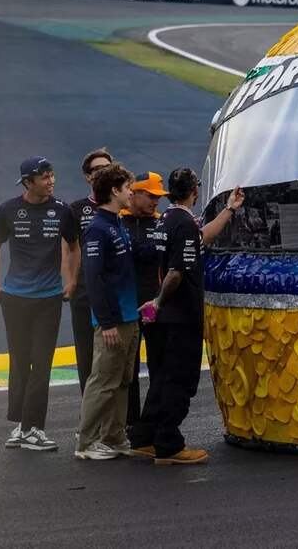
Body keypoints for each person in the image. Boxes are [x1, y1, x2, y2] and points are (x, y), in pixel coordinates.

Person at [131, 169, 242, 465]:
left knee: (160, 378)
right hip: (179, 316)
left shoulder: (167, 220)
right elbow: (176, 271)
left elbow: (200, 238)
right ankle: (169, 444)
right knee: (179, 380)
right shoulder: (183, 224)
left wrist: (230, 209)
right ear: (194, 190)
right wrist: (159, 301)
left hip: (162, 317)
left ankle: (144, 438)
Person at [0, 157, 79, 451]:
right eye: (44, 177)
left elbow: (74, 246)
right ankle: (22, 425)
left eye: (52, 175)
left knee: (41, 364)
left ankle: (31, 428)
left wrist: (72, 281)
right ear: (28, 182)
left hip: (48, 298)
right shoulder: (8, 209)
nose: (51, 181)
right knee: (19, 362)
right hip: (15, 298)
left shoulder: (63, 210)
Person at [75, 164, 141, 461]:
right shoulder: (98, 229)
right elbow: (93, 279)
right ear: (115, 191)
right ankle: (86, 443)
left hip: (129, 316)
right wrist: (107, 322)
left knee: (123, 380)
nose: (131, 193)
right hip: (113, 321)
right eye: (128, 188)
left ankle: (113, 436)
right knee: (103, 381)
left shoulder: (117, 224)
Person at [120, 172, 168, 426]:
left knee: (158, 362)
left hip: (152, 306)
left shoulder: (161, 224)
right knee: (129, 367)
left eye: (158, 197)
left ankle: (155, 420)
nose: (155, 202)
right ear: (134, 193)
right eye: (150, 196)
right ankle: (130, 422)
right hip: (127, 307)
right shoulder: (118, 221)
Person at [69, 148, 114, 393]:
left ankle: (118, 423)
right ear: (88, 176)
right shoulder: (76, 209)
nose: (103, 172)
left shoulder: (122, 205)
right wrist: (70, 285)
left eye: (107, 166)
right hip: (85, 295)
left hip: (115, 294)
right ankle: (87, 422)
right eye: (97, 169)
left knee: (115, 360)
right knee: (86, 356)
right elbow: (67, 251)